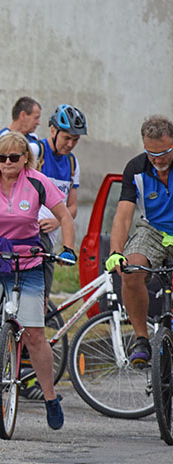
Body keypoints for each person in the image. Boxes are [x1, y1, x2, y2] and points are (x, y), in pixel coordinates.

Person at [0, 132, 76, 429]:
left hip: (28, 262)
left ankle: (50, 397)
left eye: (14, 158)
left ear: (25, 159)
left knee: (34, 335)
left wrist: (67, 249)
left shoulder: (37, 182)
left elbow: (65, 217)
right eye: (1, 158)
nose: (7, 163)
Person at [106, 115, 173, 366]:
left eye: (164, 153)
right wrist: (116, 251)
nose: (158, 160)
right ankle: (142, 339)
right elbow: (123, 216)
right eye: (151, 153)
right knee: (131, 270)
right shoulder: (136, 168)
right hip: (153, 229)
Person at [37, 104, 86, 299]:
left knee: (43, 297)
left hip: (51, 236)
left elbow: (72, 207)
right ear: (52, 131)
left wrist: (59, 221)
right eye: (67, 138)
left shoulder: (72, 163)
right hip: (31, 232)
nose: (71, 144)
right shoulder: (36, 151)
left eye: (76, 140)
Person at [0, 96, 42, 164]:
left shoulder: (34, 139)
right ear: (23, 115)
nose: (38, 122)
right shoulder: (0, 138)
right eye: (36, 118)